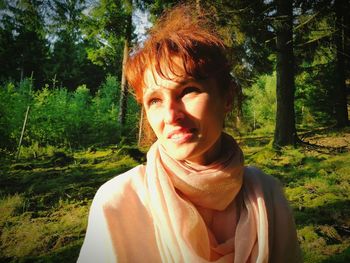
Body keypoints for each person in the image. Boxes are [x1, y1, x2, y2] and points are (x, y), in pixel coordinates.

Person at [78, 4, 301, 263]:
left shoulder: (269, 195)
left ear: (226, 97)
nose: (171, 115)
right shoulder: (118, 202)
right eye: (155, 100)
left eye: (188, 91)